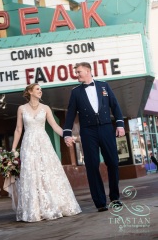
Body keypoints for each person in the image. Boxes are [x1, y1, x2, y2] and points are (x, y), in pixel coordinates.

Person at [10, 83, 81, 222]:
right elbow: (18, 129)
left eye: (41, 90)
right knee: (32, 174)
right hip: (28, 144)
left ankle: (54, 205)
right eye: (37, 89)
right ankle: (35, 210)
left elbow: (55, 126)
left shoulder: (46, 108)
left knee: (48, 172)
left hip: (44, 143)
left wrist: (67, 135)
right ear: (30, 91)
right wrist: (13, 149)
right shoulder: (21, 109)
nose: (40, 91)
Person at [63, 62, 125, 212]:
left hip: (105, 128)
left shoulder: (104, 86)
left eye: (79, 72)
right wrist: (66, 133)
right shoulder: (76, 92)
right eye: (76, 72)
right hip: (88, 132)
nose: (76, 75)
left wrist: (120, 124)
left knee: (113, 162)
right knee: (92, 165)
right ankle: (100, 202)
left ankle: (115, 197)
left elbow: (115, 106)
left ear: (88, 71)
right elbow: (71, 113)